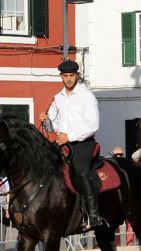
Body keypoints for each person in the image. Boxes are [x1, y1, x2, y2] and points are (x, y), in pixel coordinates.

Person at [38, 60, 103, 230]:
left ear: (77, 76)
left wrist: (70, 136)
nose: (68, 79)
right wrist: (45, 121)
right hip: (61, 142)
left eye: (71, 76)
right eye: (65, 76)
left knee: (81, 171)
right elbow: (52, 126)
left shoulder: (87, 97)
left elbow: (93, 125)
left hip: (83, 142)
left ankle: (94, 215)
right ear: (61, 77)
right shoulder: (57, 98)